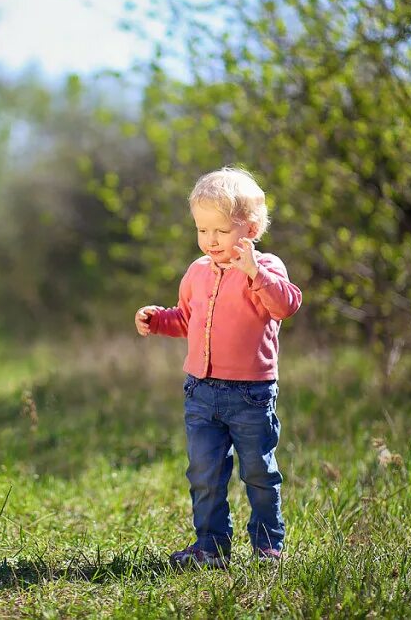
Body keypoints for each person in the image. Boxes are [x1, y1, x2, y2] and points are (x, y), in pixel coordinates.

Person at [134, 165, 302, 568]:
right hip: (201, 392)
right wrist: (158, 320)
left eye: (221, 231)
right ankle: (210, 546)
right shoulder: (196, 272)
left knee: (258, 472)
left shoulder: (267, 267)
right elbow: (186, 320)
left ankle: (267, 546)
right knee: (205, 474)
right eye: (202, 230)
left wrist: (254, 273)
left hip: (250, 394)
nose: (210, 240)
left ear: (251, 229)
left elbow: (287, 304)